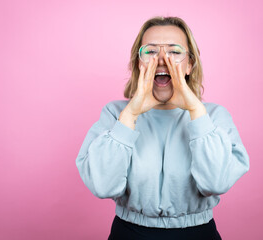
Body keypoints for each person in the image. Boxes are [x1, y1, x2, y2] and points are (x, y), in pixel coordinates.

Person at [76, 16, 250, 240]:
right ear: (139, 63)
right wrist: (130, 114)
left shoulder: (215, 116)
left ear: (189, 64)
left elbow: (215, 183)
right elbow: (103, 186)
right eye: (150, 51)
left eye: (174, 51)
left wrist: (196, 112)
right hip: (129, 233)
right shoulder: (114, 114)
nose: (162, 60)